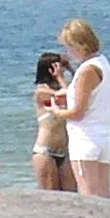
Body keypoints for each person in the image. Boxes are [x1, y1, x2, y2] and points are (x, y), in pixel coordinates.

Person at [49, 18, 110, 198]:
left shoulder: (87, 70)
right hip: (102, 136)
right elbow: (91, 96)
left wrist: (57, 112)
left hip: (85, 138)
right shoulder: (102, 62)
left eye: (69, 46)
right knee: (104, 196)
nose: (68, 52)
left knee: (89, 195)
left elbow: (78, 112)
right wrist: (66, 90)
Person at [30, 52, 75, 192]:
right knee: (52, 196)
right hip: (46, 151)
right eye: (59, 66)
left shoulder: (61, 87)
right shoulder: (41, 91)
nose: (61, 69)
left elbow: (80, 92)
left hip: (64, 151)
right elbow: (68, 96)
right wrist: (61, 77)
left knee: (72, 194)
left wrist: (71, 69)